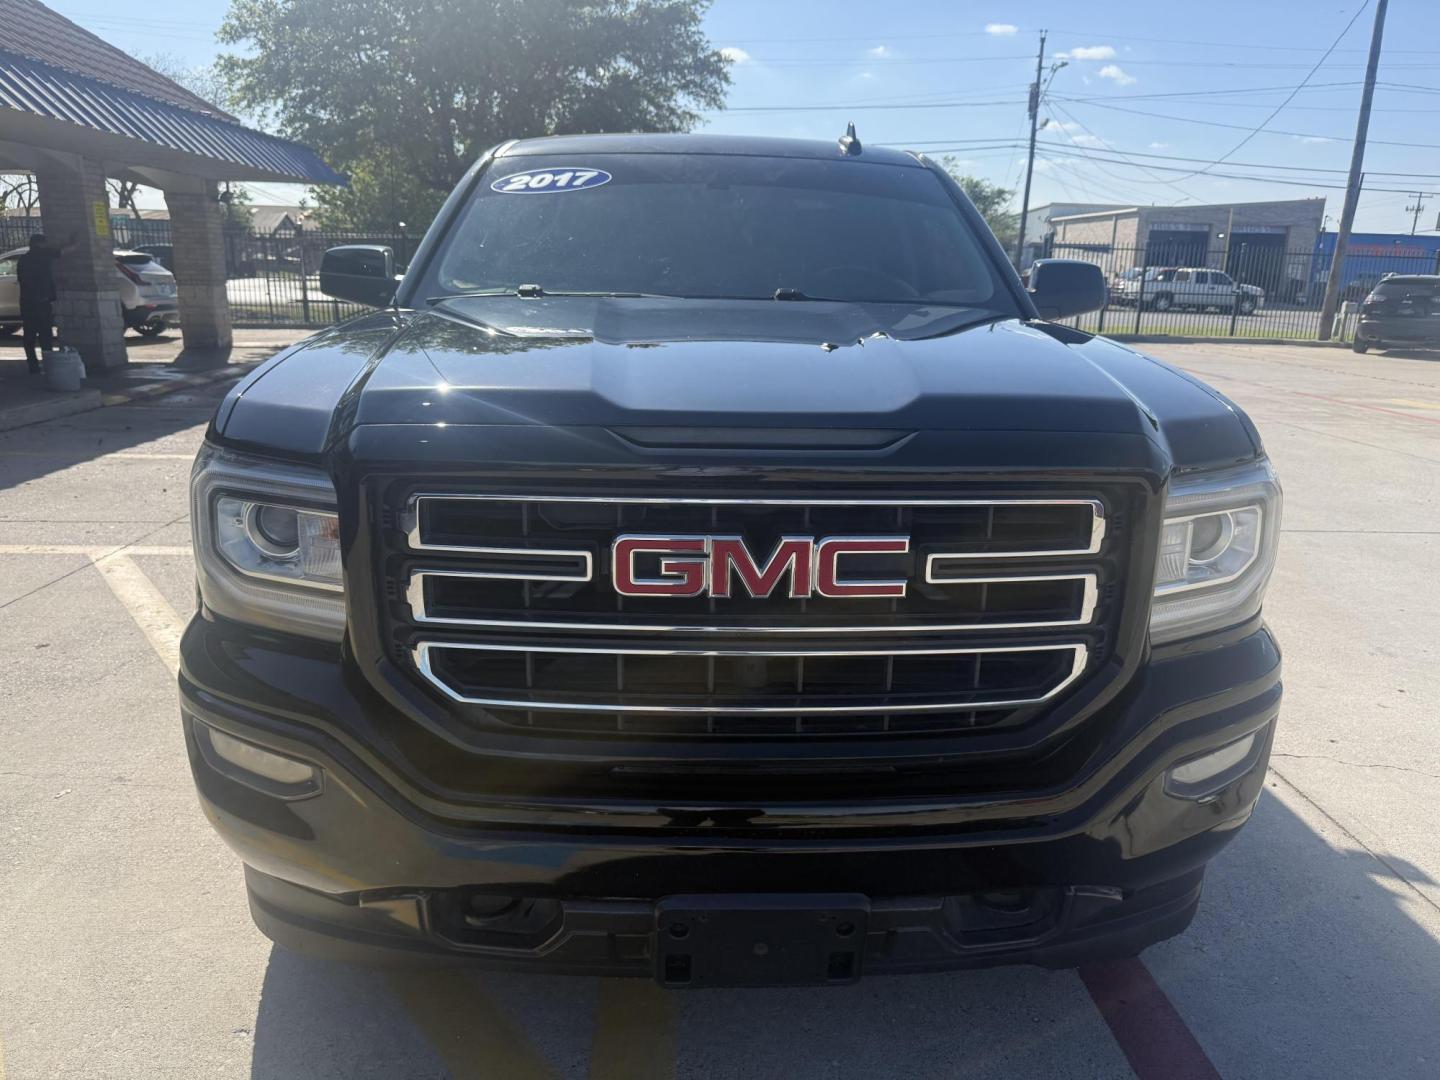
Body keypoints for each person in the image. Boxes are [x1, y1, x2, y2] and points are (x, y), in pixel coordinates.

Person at [17, 233, 61, 374]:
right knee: (45, 334)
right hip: (42, 301)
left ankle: (33, 364)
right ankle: (48, 363)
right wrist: (75, 241)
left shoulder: (23, 259)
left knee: (29, 334)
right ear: (39, 244)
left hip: (27, 302)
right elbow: (63, 251)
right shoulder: (43, 256)